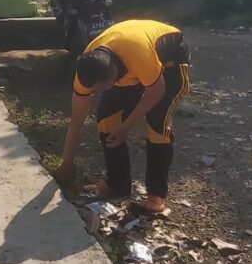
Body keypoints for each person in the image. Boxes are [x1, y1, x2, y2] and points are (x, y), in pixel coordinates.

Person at [53, 20, 191, 214]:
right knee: (106, 119)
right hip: (134, 64)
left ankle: (156, 195)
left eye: (102, 89)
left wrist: (126, 126)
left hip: (171, 60)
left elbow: (155, 93)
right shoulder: (87, 73)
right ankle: (117, 184)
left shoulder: (138, 56)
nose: (97, 93)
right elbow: (76, 122)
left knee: (158, 123)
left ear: (115, 75)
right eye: (94, 91)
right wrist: (66, 165)